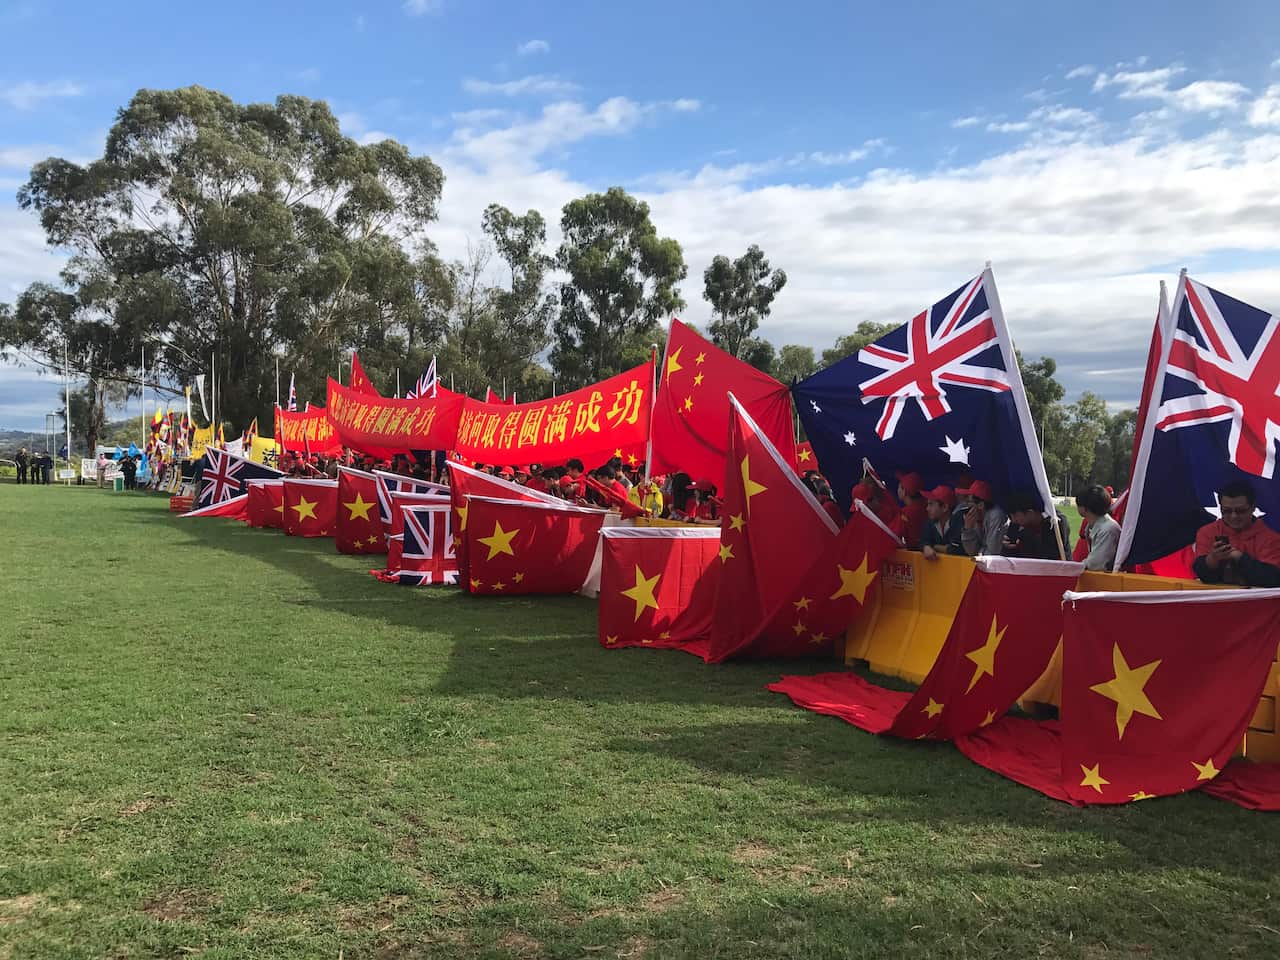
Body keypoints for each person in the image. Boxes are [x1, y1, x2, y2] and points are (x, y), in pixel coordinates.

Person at [1193, 480, 1280, 586]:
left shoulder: (1270, 535)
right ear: (1220, 508)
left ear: (1253, 507)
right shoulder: (1207, 532)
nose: (1234, 516)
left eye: (1241, 511)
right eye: (1227, 511)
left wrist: (1239, 557)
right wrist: (1213, 558)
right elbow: (1202, 575)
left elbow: (1272, 578)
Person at [1002, 490, 1071, 560]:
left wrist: (1024, 538)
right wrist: (1008, 547)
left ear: (1030, 513)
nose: (1013, 520)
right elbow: (1006, 557)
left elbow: (1050, 557)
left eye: (1015, 515)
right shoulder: (1017, 524)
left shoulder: (1055, 523)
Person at [1075, 484, 1121, 571]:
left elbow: (1095, 564)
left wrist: (1074, 568)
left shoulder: (1108, 529)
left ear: (1085, 509)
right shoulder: (1094, 526)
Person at [959, 480, 1008, 557]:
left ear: (981, 505)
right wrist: (968, 529)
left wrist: (978, 554)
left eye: (969, 502)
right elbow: (971, 552)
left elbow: (993, 553)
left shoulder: (996, 516)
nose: (966, 506)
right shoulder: (974, 518)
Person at [920, 485, 964, 559]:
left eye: (931, 504)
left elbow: (956, 550)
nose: (927, 508)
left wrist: (934, 546)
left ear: (944, 507)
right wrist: (926, 547)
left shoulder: (958, 522)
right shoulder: (930, 523)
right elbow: (922, 541)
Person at [897, 472, 927, 549]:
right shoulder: (928, 507)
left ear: (904, 491)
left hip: (912, 555)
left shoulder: (906, 512)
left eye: (900, 486)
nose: (898, 489)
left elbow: (895, 534)